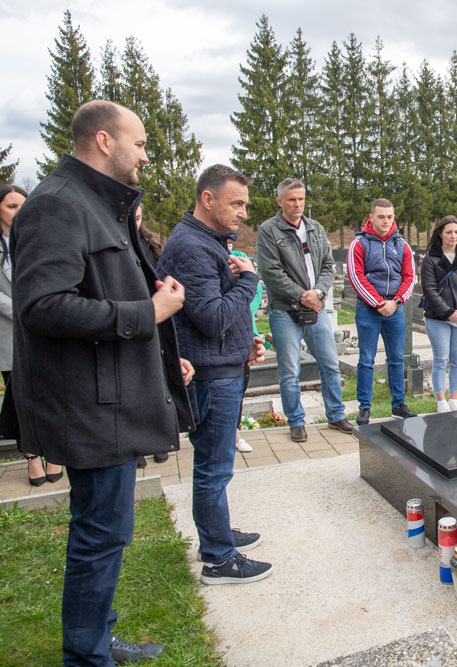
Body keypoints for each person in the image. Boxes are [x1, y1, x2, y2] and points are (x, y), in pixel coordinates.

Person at [11, 100, 195, 665]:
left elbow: (101, 291)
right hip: (89, 406)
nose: (146, 155)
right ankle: (87, 655)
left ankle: (93, 638)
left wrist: (164, 356)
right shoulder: (57, 205)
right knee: (99, 534)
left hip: (110, 396)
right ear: (103, 141)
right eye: (139, 143)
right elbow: (42, 306)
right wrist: (149, 313)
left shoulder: (97, 203)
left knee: (106, 532)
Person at [157, 164, 271, 585]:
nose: (243, 212)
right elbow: (211, 317)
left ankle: (217, 534)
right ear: (208, 199)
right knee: (213, 467)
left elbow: (216, 312)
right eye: (236, 203)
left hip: (223, 366)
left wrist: (245, 343)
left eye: (245, 204)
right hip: (211, 376)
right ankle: (219, 559)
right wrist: (250, 281)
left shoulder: (209, 242)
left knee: (216, 465)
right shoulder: (193, 247)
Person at [256, 177, 354, 441]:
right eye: (291, 200)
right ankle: (296, 421)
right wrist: (303, 296)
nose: (297, 204)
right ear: (279, 201)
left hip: (316, 308)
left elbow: (328, 266)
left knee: (330, 364)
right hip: (285, 310)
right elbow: (271, 272)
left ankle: (336, 415)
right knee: (290, 371)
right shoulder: (268, 231)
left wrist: (318, 293)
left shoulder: (315, 228)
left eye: (301, 199)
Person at [0, 185, 61, 485]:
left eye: (22, 206)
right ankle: (32, 456)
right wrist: (27, 308)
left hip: (42, 331)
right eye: (11, 206)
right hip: (9, 331)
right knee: (19, 396)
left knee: (50, 393)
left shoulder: (40, 240)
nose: (18, 212)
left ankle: (54, 452)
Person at [347, 198, 417, 425]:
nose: (386, 221)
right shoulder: (359, 244)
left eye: (389, 217)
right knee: (366, 360)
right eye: (381, 217)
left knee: (396, 359)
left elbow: (409, 277)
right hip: (368, 310)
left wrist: (395, 302)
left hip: (395, 310)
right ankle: (364, 407)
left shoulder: (402, 245)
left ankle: (398, 404)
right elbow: (356, 277)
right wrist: (379, 303)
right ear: (371, 217)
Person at [421, 215, 457, 412]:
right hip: (438, 319)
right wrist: (448, 313)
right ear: (440, 234)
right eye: (449, 232)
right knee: (441, 359)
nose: (453, 236)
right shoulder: (430, 259)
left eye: (456, 232)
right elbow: (429, 290)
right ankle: (441, 400)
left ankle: (454, 397)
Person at [132, 202, 171, 468]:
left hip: (155, 318)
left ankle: (158, 439)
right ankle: (136, 445)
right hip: (129, 319)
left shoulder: (149, 243)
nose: (134, 222)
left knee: (157, 380)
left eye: (138, 217)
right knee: (134, 383)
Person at [227, 239, 263, 453]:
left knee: (239, 387)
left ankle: (235, 433)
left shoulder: (240, 256)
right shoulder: (201, 252)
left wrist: (241, 314)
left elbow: (255, 290)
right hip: (217, 330)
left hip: (243, 329)